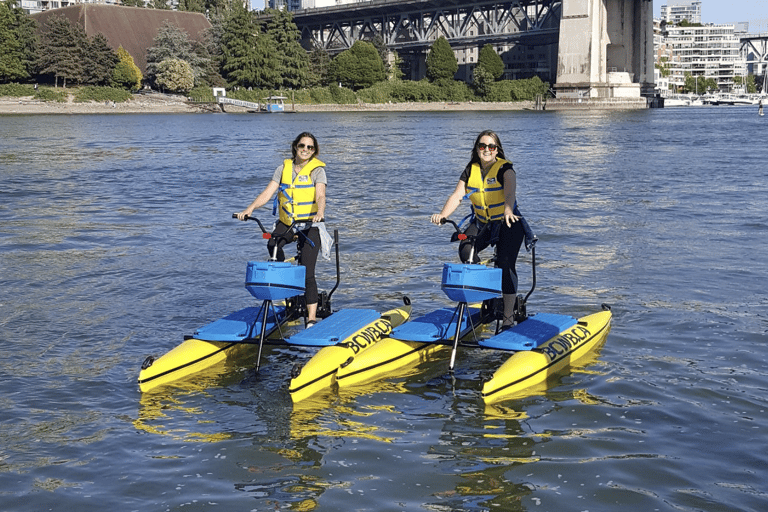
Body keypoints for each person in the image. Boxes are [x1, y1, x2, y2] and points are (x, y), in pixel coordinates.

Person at [430, 130, 530, 329]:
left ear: (497, 150)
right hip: (482, 222)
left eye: (491, 147)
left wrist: (508, 210)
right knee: (466, 249)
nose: (486, 150)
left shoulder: (506, 170)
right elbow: (458, 196)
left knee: (505, 264)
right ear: (476, 149)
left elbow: (509, 194)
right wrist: (443, 215)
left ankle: (508, 317)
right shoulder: (470, 170)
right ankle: (485, 292)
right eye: (482, 146)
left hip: (507, 221)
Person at [235, 132, 327, 328]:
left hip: (309, 223)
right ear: (295, 146)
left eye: (310, 147)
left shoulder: (317, 170)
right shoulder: (282, 168)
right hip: (287, 222)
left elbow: (320, 195)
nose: (305, 150)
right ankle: (285, 281)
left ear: (314, 150)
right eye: (302, 146)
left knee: (308, 272)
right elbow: (268, 192)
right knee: (273, 243)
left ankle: (311, 318)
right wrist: (249, 209)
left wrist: (320, 211)